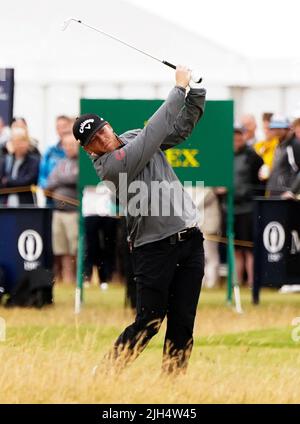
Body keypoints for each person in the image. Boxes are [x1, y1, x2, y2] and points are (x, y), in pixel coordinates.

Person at [73, 66, 206, 374]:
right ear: (88, 149)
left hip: (189, 240)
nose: (103, 139)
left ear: (108, 125)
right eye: (94, 140)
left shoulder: (132, 138)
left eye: (102, 130)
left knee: (183, 321)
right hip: (152, 249)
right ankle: (106, 373)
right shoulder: (110, 167)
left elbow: (181, 127)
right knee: (149, 321)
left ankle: (173, 385)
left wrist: (196, 92)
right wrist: (178, 89)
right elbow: (154, 133)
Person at [233, 124, 264, 287]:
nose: (237, 141)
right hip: (231, 209)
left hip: (248, 209)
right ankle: (237, 281)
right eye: (234, 138)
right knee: (237, 248)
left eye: (239, 137)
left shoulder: (252, 156)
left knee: (249, 247)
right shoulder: (226, 155)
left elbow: (260, 180)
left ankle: (252, 281)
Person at [46, 133, 79, 284]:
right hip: (58, 211)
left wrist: (60, 180)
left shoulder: (82, 162)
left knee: (75, 247)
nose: (68, 148)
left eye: (71, 144)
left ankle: (79, 277)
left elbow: (75, 178)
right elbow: (49, 181)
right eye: (65, 145)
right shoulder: (61, 163)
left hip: (73, 212)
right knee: (62, 248)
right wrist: (61, 180)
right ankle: (67, 278)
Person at [0, 128, 40, 206]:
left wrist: (8, 181)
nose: (21, 145)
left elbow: (27, 181)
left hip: (25, 203)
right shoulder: (6, 160)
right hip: (5, 203)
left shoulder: (34, 161)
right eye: (17, 141)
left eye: (23, 141)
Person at [38, 115, 72, 190]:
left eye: (64, 126)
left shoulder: (77, 152)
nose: (62, 130)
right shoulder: (50, 151)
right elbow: (42, 176)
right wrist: (47, 187)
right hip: (51, 195)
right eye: (58, 127)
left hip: (69, 196)